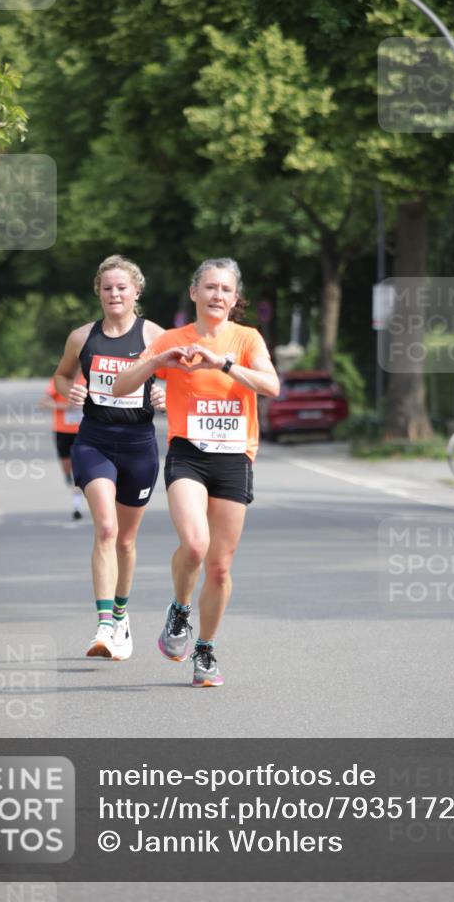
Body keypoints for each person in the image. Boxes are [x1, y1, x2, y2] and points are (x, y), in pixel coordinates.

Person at [113, 258, 279, 687]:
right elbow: (120, 387)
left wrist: (221, 364)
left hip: (234, 456)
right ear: (194, 293)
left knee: (220, 567)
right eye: (209, 287)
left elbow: (271, 386)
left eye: (225, 289)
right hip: (187, 452)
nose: (217, 295)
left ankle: (204, 650)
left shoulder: (246, 339)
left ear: (235, 298)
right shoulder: (173, 339)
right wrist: (158, 360)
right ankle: (180, 608)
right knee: (194, 545)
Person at [54, 255, 165, 662]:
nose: (114, 294)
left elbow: (184, 380)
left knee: (127, 539)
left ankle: (121, 615)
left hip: (139, 444)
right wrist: (70, 389)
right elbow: (62, 374)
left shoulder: (156, 335)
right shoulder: (82, 337)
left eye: (122, 287)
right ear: (97, 292)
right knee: (105, 528)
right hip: (95, 440)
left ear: (137, 290)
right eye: (107, 288)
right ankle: (103, 624)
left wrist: (164, 394)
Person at [40, 373, 87, 520]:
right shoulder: (59, 380)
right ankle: (67, 476)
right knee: (67, 466)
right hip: (62, 430)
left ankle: (77, 505)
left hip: (83, 430)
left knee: (79, 470)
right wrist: (64, 407)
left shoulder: (87, 379)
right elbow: (44, 402)